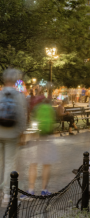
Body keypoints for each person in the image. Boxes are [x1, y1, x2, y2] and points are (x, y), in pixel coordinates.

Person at [0, 69, 27, 207]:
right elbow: (23, 116)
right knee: (9, 163)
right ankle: (6, 195)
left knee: (0, 163)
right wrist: (22, 133)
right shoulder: (19, 96)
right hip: (12, 134)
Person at [23, 96, 58, 197]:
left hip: (36, 138)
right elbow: (54, 124)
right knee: (46, 164)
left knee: (33, 164)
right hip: (48, 138)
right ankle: (44, 190)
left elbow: (31, 123)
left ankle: (31, 190)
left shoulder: (36, 108)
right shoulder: (51, 109)